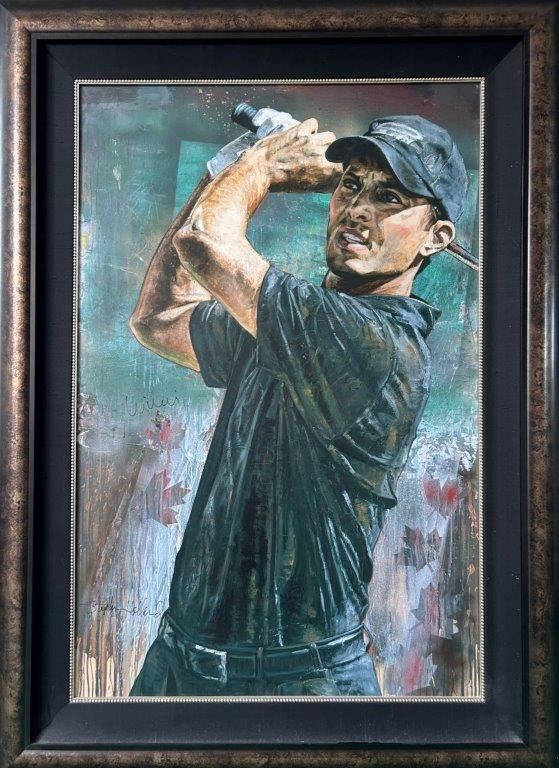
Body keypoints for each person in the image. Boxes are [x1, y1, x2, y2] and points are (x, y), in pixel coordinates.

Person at [128, 113, 468, 696]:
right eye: (350, 185)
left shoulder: (375, 343)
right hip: (179, 662)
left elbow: (205, 244)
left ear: (436, 237)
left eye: (388, 197)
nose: (357, 209)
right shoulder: (287, 323)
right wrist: (223, 168)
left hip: (302, 683)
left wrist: (261, 165)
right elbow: (159, 318)